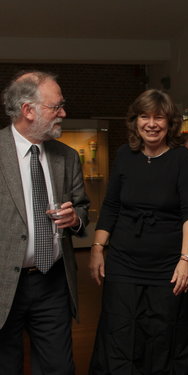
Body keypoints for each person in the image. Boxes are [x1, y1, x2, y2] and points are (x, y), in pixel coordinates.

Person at [88, 89, 188, 374]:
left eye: (159, 117)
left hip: (168, 265)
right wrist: (97, 248)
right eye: (144, 116)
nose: (151, 124)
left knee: (165, 334)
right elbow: (111, 205)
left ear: (170, 123)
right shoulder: (124, 155)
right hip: (123, 262)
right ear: (135, 121)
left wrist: (186, 260)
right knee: (120, 331)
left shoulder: (181, 159)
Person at [0, 71, 90, 374]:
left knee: (58, 368)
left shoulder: (66, 156)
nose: (63, 113)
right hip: (3, 286)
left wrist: (76, 218)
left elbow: (82, 208)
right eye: (57, 107)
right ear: (28, 110)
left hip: (51, 282)